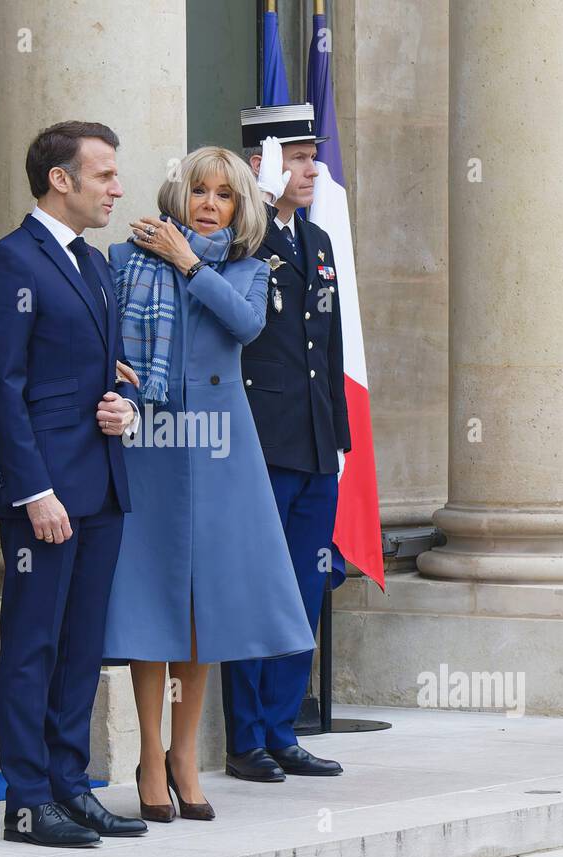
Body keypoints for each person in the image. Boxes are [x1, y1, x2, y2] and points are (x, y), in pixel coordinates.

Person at [102, 147, 316, 822]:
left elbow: (247, 326)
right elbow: (100, 333)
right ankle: (149, 755)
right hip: (151, 443)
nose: (209, 203)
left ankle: (186, 756)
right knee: (149, 605)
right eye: (199, 190)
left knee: (203, 614)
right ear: (179, 193)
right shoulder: (124, 260)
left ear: (239, 207)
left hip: (221, 451)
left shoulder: (249, 271)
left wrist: (188, 262)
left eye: (224, 195)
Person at [0, 120, 147, 847]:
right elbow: (1, 387)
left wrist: (126, 408)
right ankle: (26, 799)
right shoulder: (10, 262)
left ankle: (70, 787)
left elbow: (109, 372)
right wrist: (33, 491)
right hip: (44, 493)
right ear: (60, 181)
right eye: (104, 174)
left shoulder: (97, 265)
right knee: (33, 645)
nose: (117, 187)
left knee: (82, 647)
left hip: (102, 485)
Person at [217, 104, 348, 783]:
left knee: (301, 591)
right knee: (254, 592)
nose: (311, 168)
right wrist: (257, 199)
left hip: (314, 445)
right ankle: (245, 738)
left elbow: (327, 345)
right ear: (263, 166)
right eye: (295, 157)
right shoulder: (244, 239)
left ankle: (282, 726)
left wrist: (341, 442)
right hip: (261, 449)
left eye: (310, 155)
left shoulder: (319, 242)